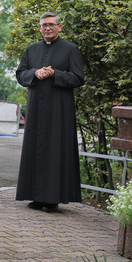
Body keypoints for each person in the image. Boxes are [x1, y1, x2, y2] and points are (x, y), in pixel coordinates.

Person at [15, 13, 84, 213]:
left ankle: (52, 199)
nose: (47, 28)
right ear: (40, 28)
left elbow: (78, 78)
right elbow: (20, 74)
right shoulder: (31, 50)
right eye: (44, 25)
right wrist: (34, 73)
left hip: (59, 111)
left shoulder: (70, 50)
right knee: (34, 149)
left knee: (55, 150)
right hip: (36, 108)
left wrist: (55, 74)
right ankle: (35, 197)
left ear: (59, 27)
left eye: (51, 25)